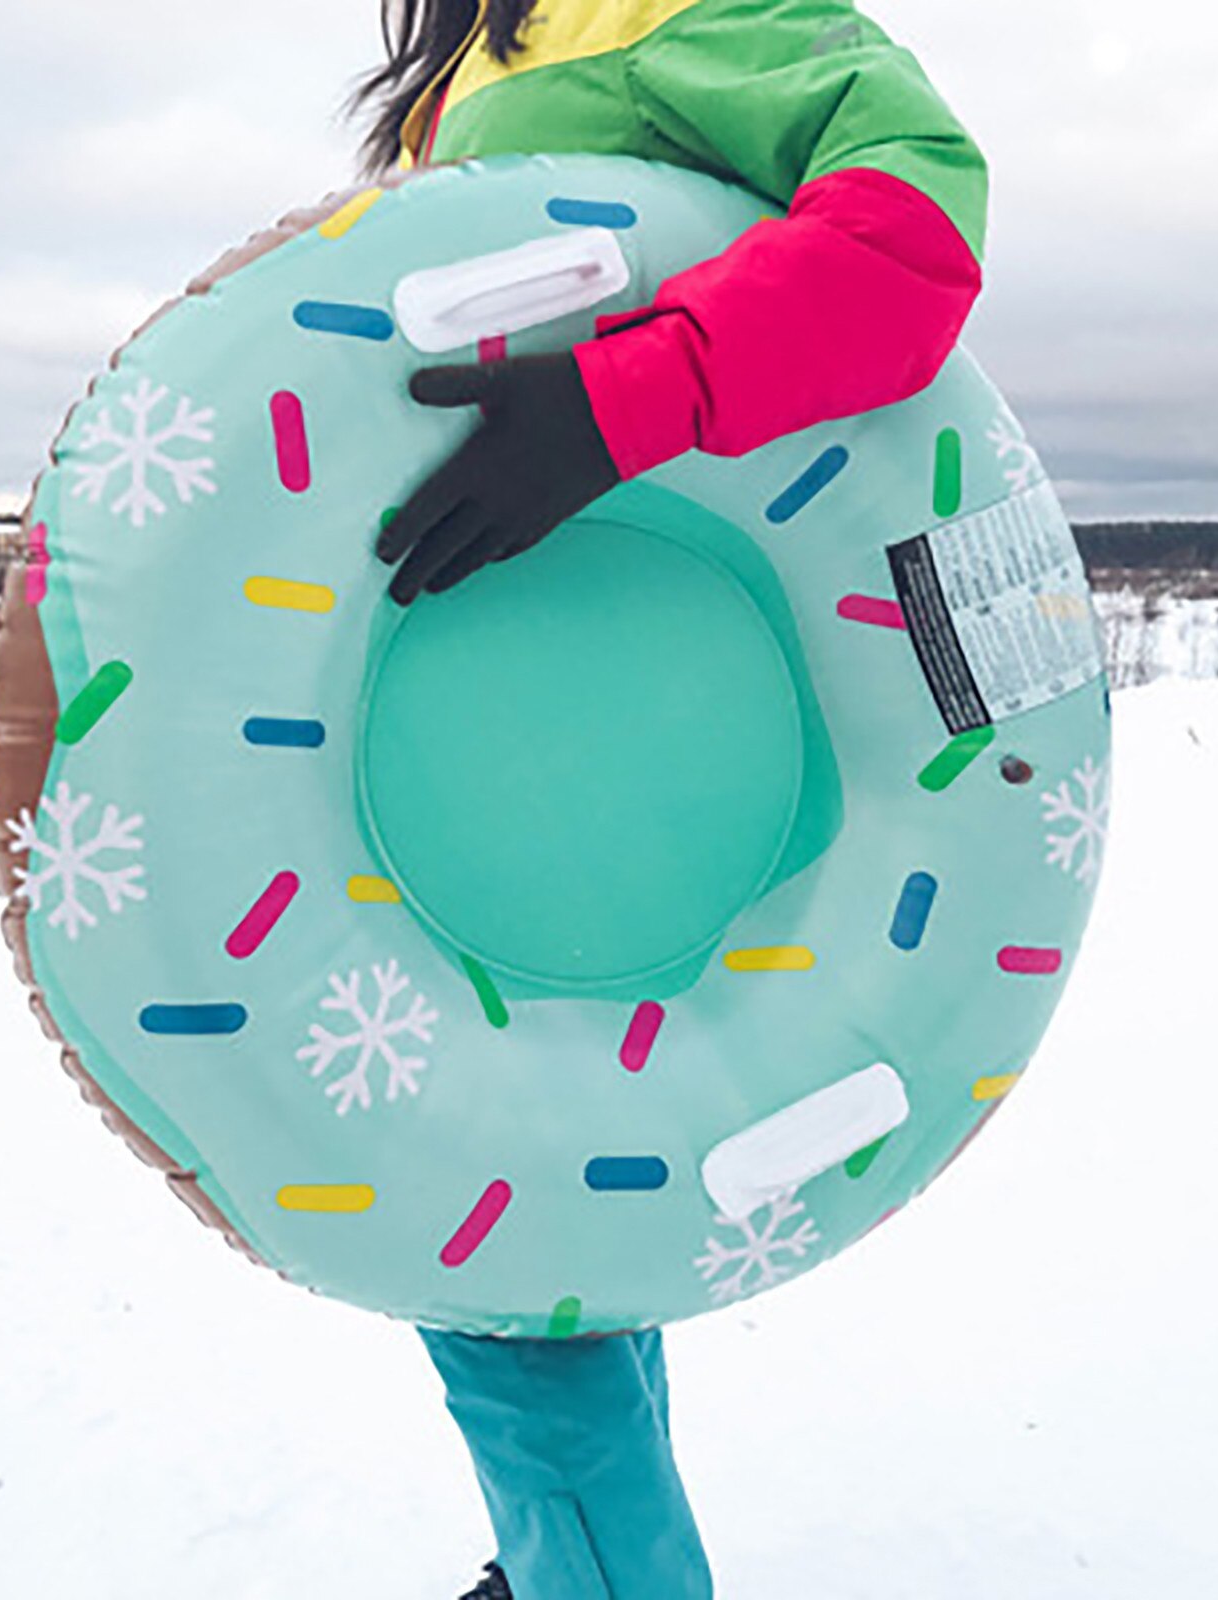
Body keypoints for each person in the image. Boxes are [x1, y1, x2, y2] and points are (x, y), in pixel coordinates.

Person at [353, 4, 987, 1594]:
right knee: (544, 1280)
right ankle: (564, 1559)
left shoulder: (669, 7)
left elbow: (915, 219)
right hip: (491, 749)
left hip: (639, 735)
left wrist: (631, 397)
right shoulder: (477, 55)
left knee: (501, 1281)